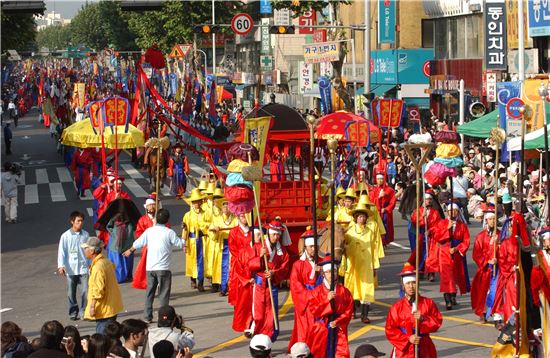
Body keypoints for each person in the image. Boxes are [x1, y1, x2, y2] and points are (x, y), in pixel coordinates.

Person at [124, 208, 183, 323]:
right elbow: (179, 244)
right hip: (163, 268)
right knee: (164, 295)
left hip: (150, 268)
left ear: (156, 219)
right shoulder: (169, 232)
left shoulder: (149, 231)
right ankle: (163, 317)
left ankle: (147, 316)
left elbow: (138, 243)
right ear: (167, 220)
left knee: (149, 293)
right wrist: (186, 238)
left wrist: (129, 251)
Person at [385, 263, 442, 358]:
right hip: (404, 351)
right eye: (408, 283)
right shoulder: (396, 307)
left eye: (413, 282)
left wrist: (423, 319)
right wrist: (408, 338)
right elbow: (390, 330)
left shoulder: (428, 303)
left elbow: (437, 323)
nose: (411, 286)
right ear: (403, 286)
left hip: (424, 347)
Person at [344, 199, 385, 324]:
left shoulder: (370, 232)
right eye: (359, 216)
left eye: (363, 216)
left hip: (367, 265)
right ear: (355, 218)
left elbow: (375, 248)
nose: (361, 219)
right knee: (351, 288)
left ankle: (364, 315)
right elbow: (344, 249)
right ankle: (352, 312)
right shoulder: (350, 231)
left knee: (366, 289)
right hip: (353, 265)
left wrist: (375, 266)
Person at [248, 220, 290, 341]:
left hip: (272, 285)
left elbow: (285, 268)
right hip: (260, 285)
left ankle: (268, 342)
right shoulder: (258, 247)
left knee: (271, 315)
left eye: (278, 235)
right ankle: (257, 340)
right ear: (268, 234)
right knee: (259, 315)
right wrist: (260, 256)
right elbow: (250, 265)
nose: (276, 237)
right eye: (274, 234)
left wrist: (274, 273)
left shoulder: (282, 251)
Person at [306, 256, 354, 358]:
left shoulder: (344, 292)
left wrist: (338, 321)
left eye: (334, 271)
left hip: (338, 327)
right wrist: (326, 300)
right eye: (328, 272)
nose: (331, 274)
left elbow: (348, 311)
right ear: (323, 274)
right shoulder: (316, 292)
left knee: (340, 354)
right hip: (321, 328)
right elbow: (313, 310)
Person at [431, 202, 471, 310]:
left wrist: (457, 248)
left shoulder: (462, 226)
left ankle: (453, 295)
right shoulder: (442, 223)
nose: (452, 213)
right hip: (444, 253)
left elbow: (466, 241)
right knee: (446, 277)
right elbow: (437, 237)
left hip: (457, 254)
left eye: (455, 211)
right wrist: (446, 229)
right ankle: (447, 299)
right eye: (450, 211)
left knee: (455, 276)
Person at [287, 229, 322, 350]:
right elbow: (295, 284)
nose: (313, 249)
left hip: (319, 300)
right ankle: (303, 350)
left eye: (315, 246)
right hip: (305, 300)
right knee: (305, 327)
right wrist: (308, 295)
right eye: (311, 246)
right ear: (306, 247)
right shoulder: (298, 264)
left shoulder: (322, 263)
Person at [82, 237, 123, 333]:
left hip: (104, 309)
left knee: (102, 339)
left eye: (86, 248)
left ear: (92, 251)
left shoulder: (97, 267)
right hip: (112, 306)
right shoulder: (106, 261)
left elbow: (98, 291)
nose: (84, 251)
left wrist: (92, 307)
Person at [57, 211, 90, 321]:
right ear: (72, 222)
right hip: (70, 269)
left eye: (81, 221)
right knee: (71, 293)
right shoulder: (65, 236)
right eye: (78, 221)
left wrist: (91, 264)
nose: (80, 223)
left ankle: (83, 311)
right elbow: (61, 252)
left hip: (83, 268)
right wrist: (61, 266)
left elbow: (89, 251)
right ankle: (73, 311)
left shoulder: (85, 235)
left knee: (85, 291)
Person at [132, 194, 167, 290]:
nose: (151, 208)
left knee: (160, 268)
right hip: (148, 249)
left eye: (153, 205)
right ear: (146, 207)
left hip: (160, 248)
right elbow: (139, 234)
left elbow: (167, 229)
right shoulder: (142, 220)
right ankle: (152, 286)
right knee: (149, 270)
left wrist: (159, 225)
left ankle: (160, 285)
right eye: (149, 206)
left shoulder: (161, 218)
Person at [470, 205, 499, 321]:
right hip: (485, 269)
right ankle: (483, 312)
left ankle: (497, 315)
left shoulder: (501, 235)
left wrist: (499, 246)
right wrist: (487, 261)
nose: (492, 221)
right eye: (490, 219)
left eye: (494, 219)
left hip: (498, 269)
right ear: (486, 220)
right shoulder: (481, 236)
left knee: (497, 292)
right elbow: (476, 254)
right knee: (483, 292)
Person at [407, 190, 443, 281]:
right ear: (423, 200)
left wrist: (431, 230)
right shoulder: (418, 211)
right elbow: (414, 221)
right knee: (420, 254)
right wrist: (422, 217)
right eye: (427, 199)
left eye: (430, 199)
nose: (429, 201)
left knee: (432, 255)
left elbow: (438, 225)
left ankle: (431, 273)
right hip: (421, 235)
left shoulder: (435, 212)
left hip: (431, 237)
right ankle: (420, 271)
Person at [228, 212, 254, 335]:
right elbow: (233, 249)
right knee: (239, 295)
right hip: (238, 266)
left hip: (251, 265)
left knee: (251, 296)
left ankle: (251, 321)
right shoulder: (234, 232)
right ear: (238, 217)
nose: (245, 219)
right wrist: (244, 259)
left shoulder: (253, 231)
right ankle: (241, 320)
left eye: (246, 216)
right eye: (243, 217)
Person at [181, 188, 210, 292]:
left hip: (202, 240)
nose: (196, 204)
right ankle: (193, 280)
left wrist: (204, 227)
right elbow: (185, 230)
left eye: (198, 201)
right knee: (192, 261)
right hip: (192, 241)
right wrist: (184, 243)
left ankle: (201, 282)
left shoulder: (205, 213)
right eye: (194, 202)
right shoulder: (187, 215)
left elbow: (209, 225)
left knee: (202, 261)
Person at [208, 198, 237, 295]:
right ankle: (223, 287)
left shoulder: (235, 219)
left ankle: (232, 286)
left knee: (232, 266)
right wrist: (215, 231)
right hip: (222, 245)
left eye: (228, 206)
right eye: (224, 206)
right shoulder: (217, 219)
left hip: (232, 245)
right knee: (222, 266)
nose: (225, 208)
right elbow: (212, 235)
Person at [369, 173, 397, 246]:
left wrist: (386, 209)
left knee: (386, 227)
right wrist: (379, 197)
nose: (380, 181)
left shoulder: (390, 190)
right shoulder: (373, 190)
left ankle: (384, 242)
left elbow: (393, 201)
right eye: (378, 179)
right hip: (377, 211)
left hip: (386, 212)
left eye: (381, 179)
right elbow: (371, 201)